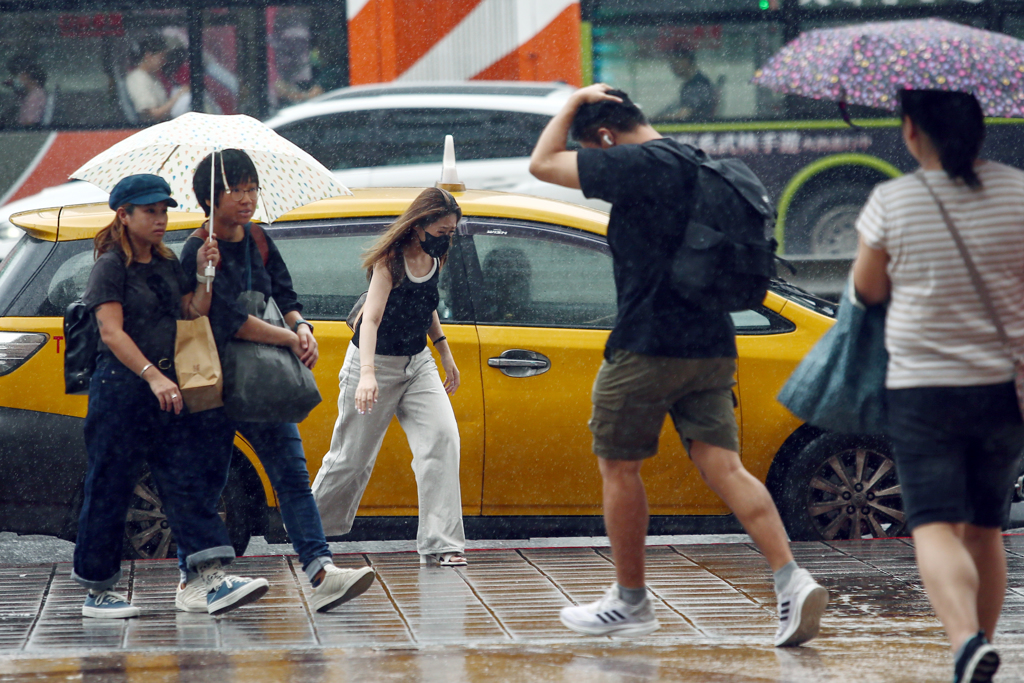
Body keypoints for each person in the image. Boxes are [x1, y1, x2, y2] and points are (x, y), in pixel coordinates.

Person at [528, 84, 828, 644]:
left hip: (648, 342)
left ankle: (631, 600)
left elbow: (542, 164)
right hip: (712, 341)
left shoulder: (636, 164)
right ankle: (791, 579)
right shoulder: (703, 164)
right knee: (725, 467)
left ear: (605, 138)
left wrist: (570, 104)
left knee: (619, 466)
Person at [853, 89, 1023, 683]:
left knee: (932, 523)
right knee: (984, 525)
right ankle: (982, 647)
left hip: (923, 388)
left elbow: (867, 291)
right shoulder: (1019, 193)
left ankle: (965, 643)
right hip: (1004, 388)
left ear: (911, 133)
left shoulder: (893, 200)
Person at [177, 149, 376, 614]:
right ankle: (193, 578)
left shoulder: (259, 239)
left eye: (252, 188)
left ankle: (320, 571)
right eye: (235, 190)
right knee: (209, 478)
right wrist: (287, 338)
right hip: (216, 382)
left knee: (291, 475)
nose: (246, 199)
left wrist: (301, 326)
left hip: (264, 380)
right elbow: (227, 320)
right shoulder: (196, 249)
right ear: (209, 197)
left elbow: (285, 292)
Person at [74, 174, 270, 618]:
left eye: (164, 210)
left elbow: (192, 312)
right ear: (123, 215)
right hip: (123, 389)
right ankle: (98, 590)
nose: (161, 219)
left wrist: (205, 272)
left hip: (168, 389)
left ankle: (208, 578)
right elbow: (110, 331)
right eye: (150, 212)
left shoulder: (164, 261)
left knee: (184, 480)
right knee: (110, 485)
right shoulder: (110, 265)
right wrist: (151, 376)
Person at [312, 188, 466, 567]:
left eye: (451, 232)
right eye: (442, 230)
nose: (446, 237)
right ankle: (308, 532)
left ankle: (442, 542)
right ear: (420, 225)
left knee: (442, 439)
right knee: (351, 458)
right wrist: (367, 375)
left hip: (417, 363)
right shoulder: (390, 263)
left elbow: (426, 305)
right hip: (374, 363)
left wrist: (444, 352)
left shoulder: (436, 257)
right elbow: (371, 319)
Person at [126, 34, 188, 123]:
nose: (164, 61)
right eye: (161, 57)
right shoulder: (138, 78)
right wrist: (179, 96)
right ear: (148, 56)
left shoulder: (152, 76)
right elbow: (153, 115)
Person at [659, 48, 715, 121]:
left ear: (686, 61)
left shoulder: (697, 84)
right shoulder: (692, 83)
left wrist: (658, 120)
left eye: (674, 63)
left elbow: (683, 114)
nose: (672, 67)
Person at [6, 55, 47, 127]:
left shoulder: (35, 97)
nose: (17, 79)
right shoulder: (32, 93)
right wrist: (13, 87)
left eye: (19, 75)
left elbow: (29, 123)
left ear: (27, 76)